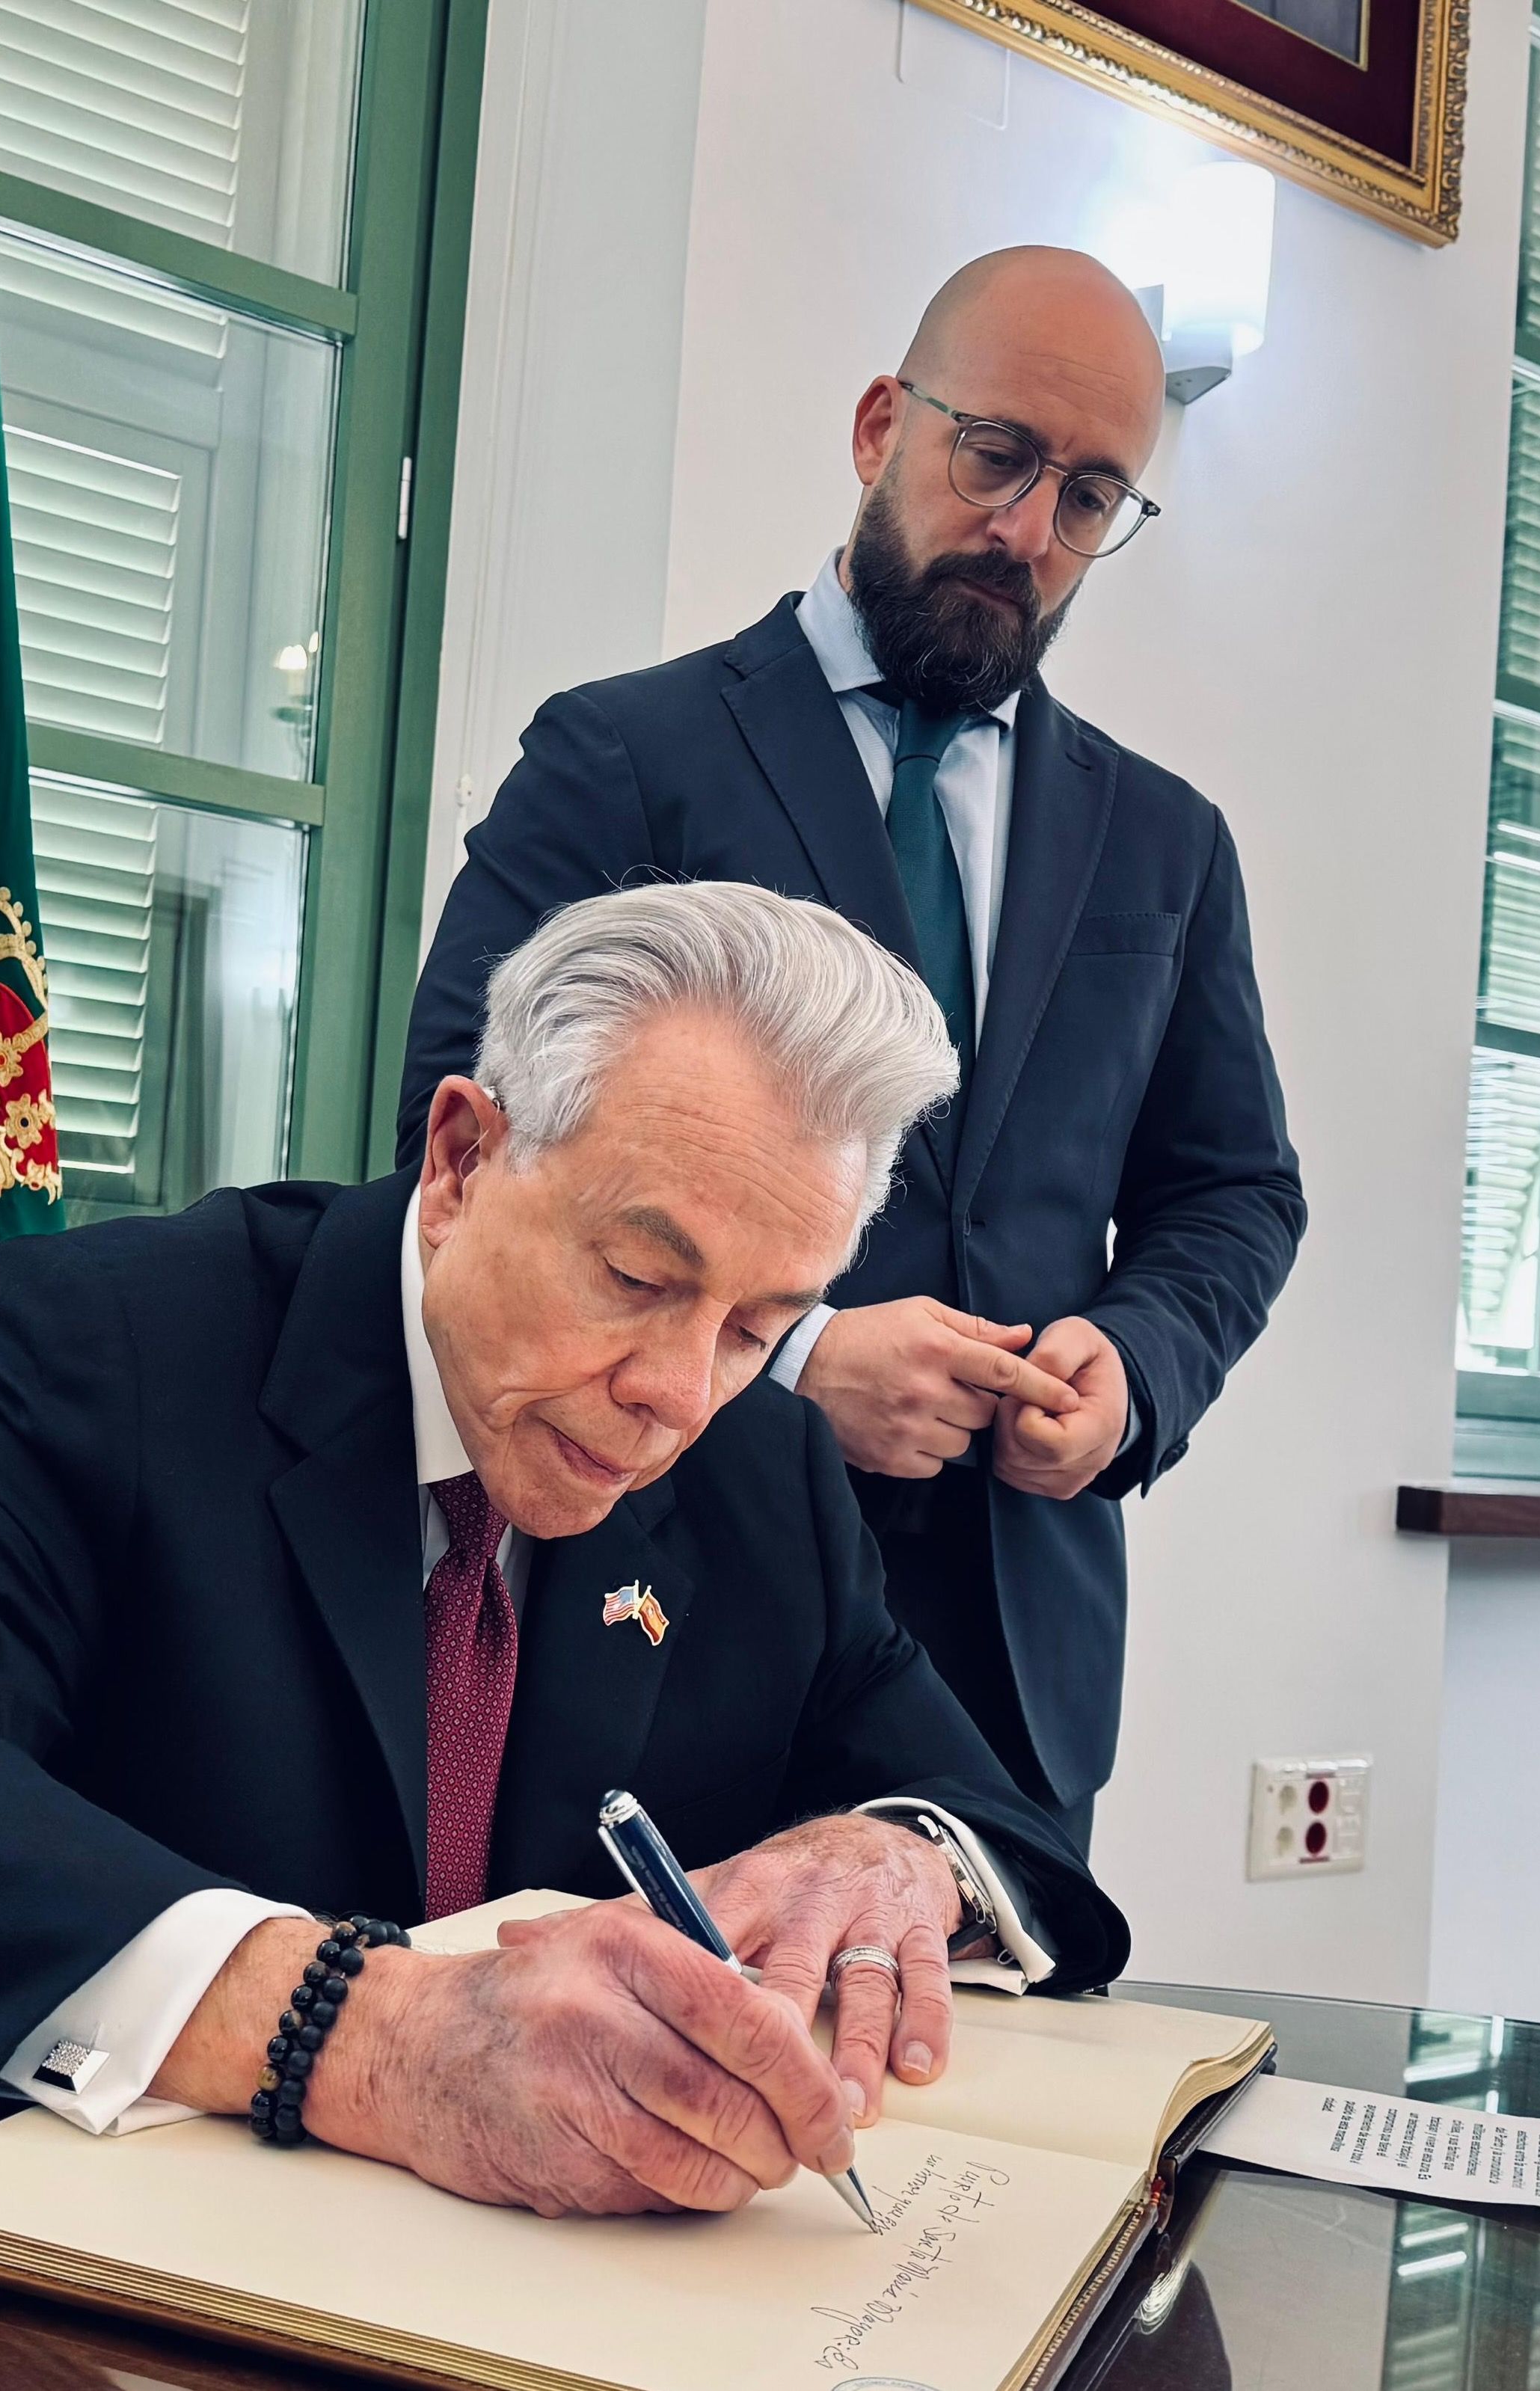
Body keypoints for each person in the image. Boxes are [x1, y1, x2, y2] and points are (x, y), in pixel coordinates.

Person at [0, 884, 1130, 2220]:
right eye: (639, 1278)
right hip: (19, 2257)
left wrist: (897, 1855)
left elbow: (992, 1816)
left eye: (761, 1325)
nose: (680, 1394)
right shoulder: (112, 1342)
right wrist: (369, 2030)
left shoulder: (769, 1469)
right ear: (460, 1162)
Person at [397, 247, 1306, 1847]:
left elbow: (1232, 1194)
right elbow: (454, 1129)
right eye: (998, 456)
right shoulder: (624, 754)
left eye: (1089, 497)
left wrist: (1134, 1374)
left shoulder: (1169, 843)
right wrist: (798, 1361)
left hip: (1015, 1661)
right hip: (664, 1599)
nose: (1027, 531)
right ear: (884, 423)